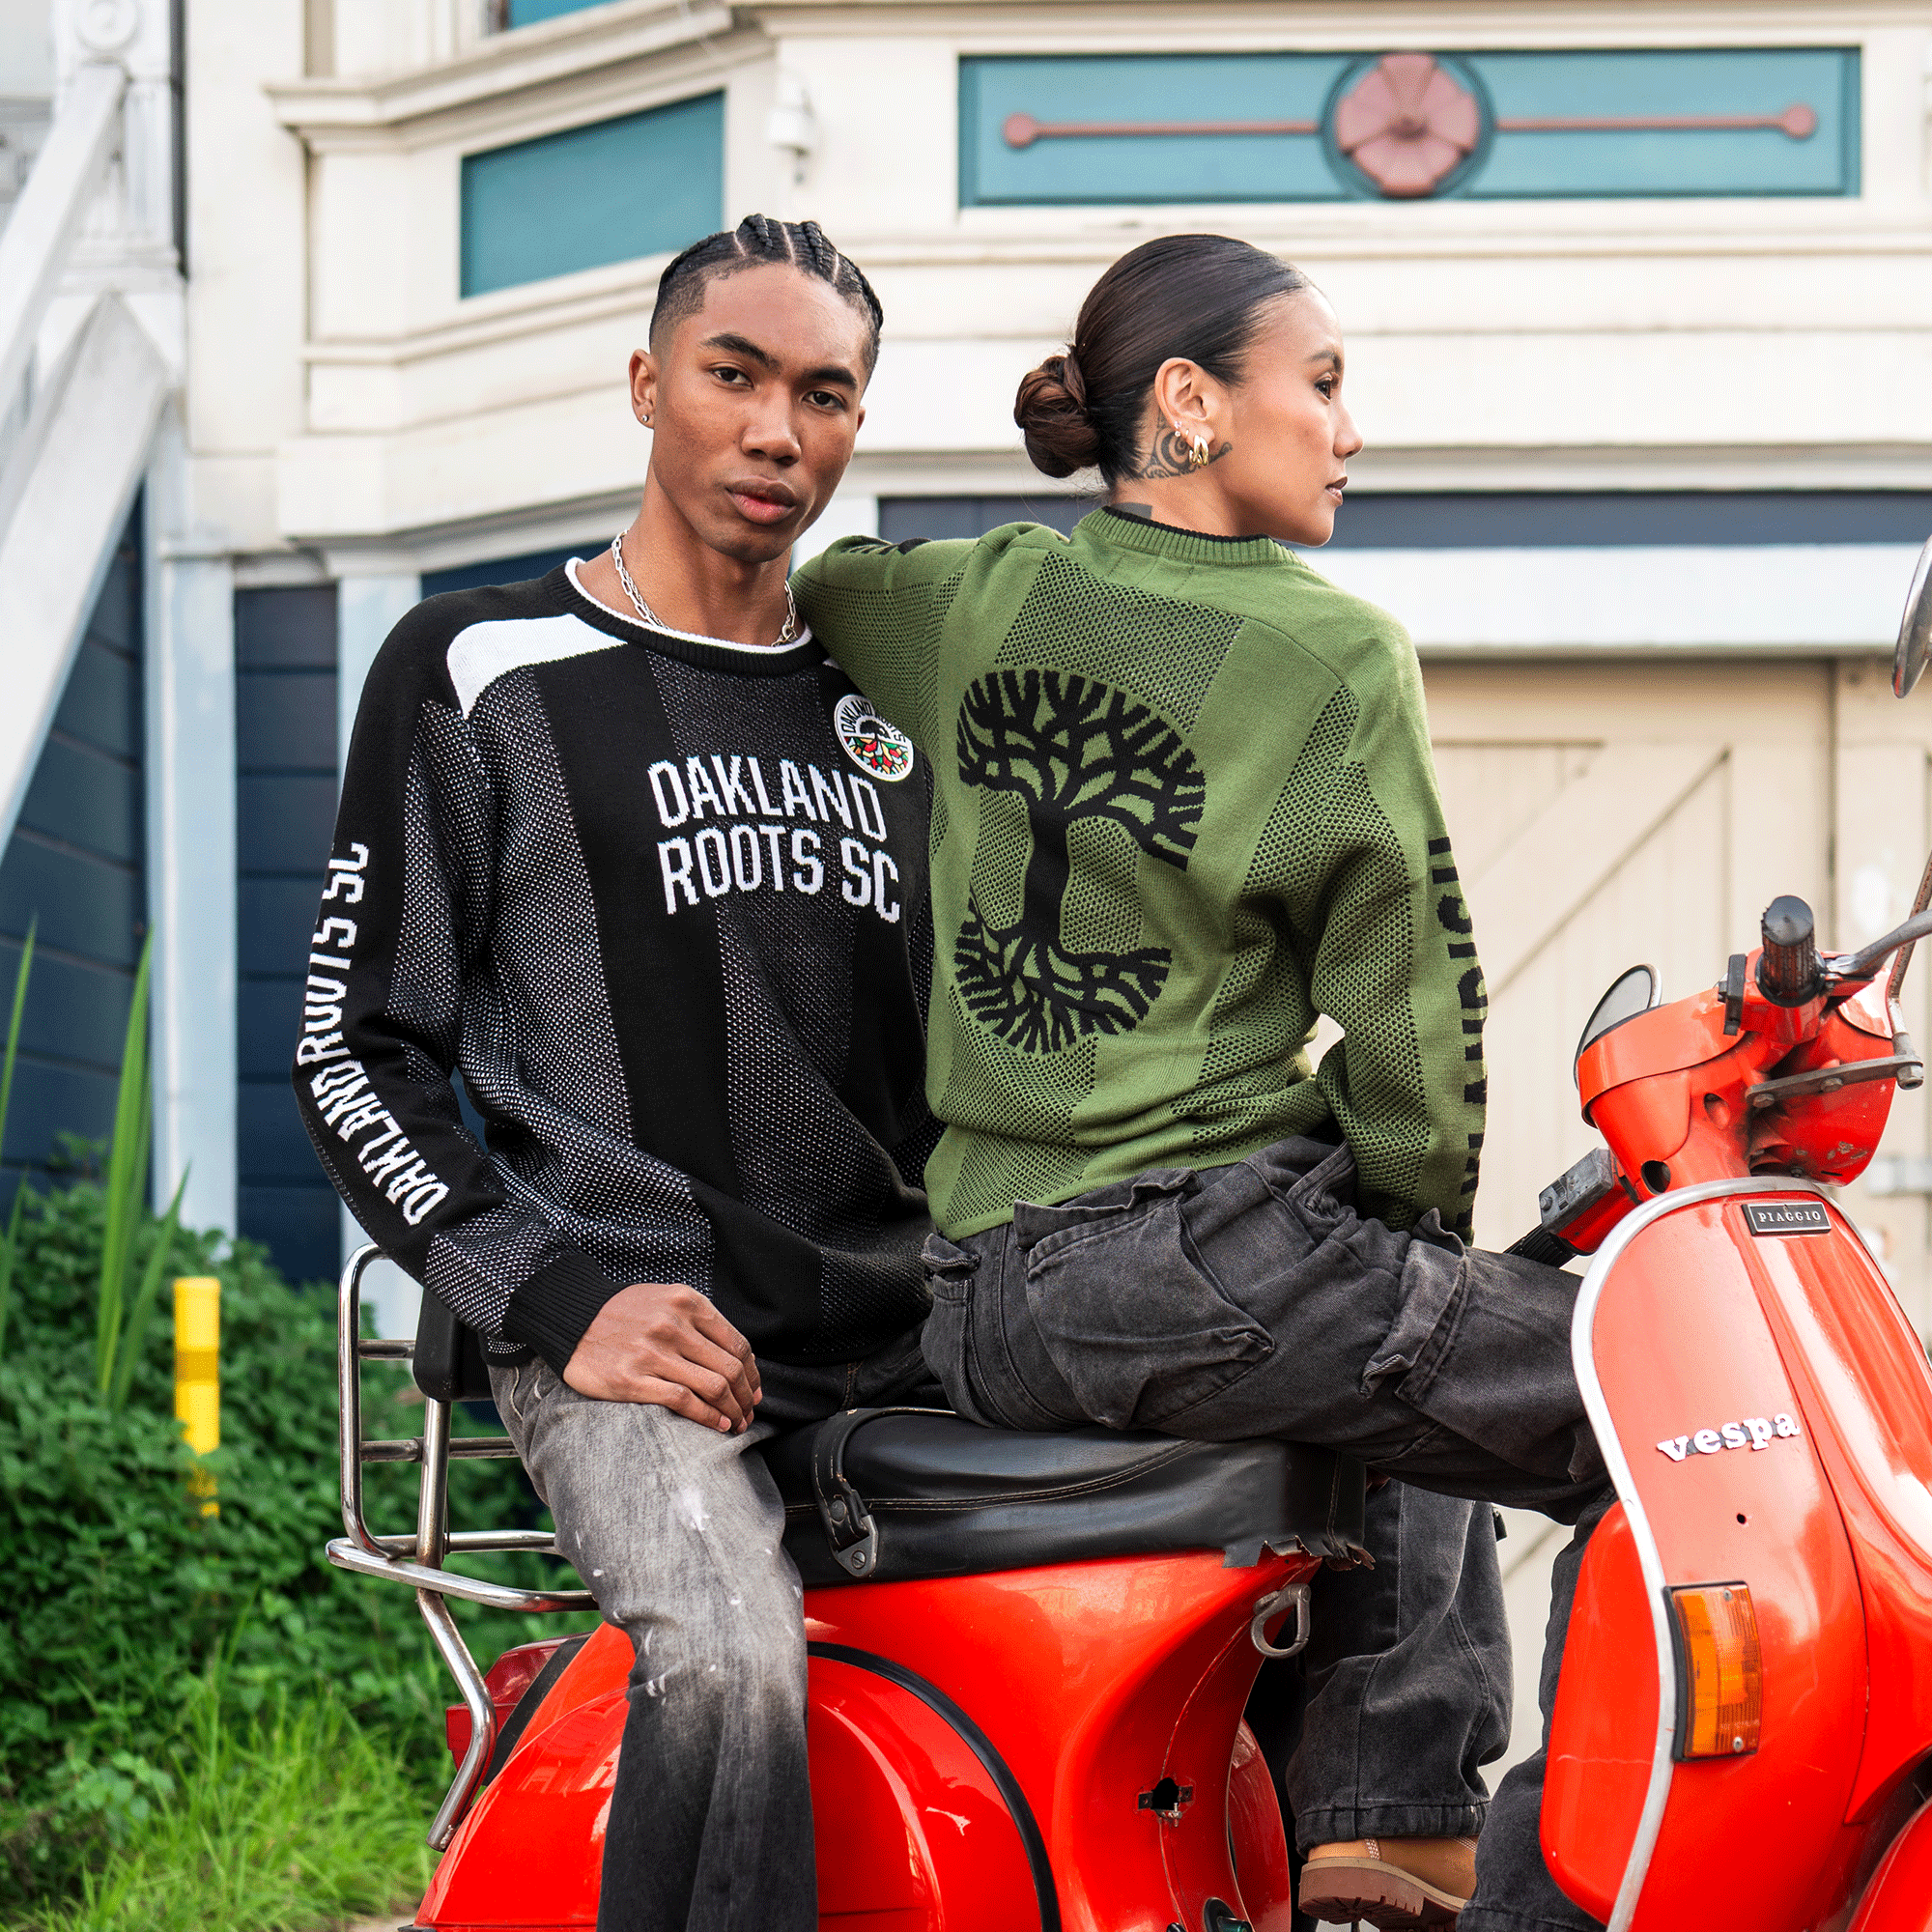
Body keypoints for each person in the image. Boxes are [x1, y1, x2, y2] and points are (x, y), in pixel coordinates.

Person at [296, 213, 1538, 1932]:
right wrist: (559, 1291)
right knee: (730, 1661)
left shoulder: (910, 687)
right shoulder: (480, 666)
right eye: (732, 377)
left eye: (824, 393)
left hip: (916, 1318)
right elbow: (352, 1044)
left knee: (1316, 1485)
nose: (774, 431)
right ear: (648, 383)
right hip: (638, 1335)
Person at [793, 233, 1612, 1932]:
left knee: (1412, 1346)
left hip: (974, 1290)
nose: (1349, 429)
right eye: (1320, 384)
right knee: (1650, 1407)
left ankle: (1374, 1854)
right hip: (1175, 1262)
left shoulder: (966, 598)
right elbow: (1411, 1020)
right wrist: (1415, 1222)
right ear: (1188, 402)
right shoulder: (1332, 657)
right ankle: (1495, 1869)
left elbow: (786, 605)